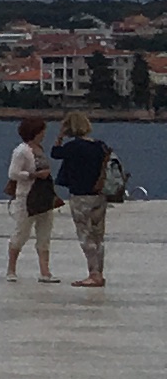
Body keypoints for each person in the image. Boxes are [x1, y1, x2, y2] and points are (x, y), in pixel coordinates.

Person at [51, 111, 117, 288]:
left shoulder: (73, 147)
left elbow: (55, 153)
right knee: (98, 236)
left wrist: (59, 136)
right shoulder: (99, 145)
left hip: (81, 195)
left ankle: (93, 274)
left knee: (85, 236)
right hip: (99, 195)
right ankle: (99, 273)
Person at [7, 115, 63, 280]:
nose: (44, 134)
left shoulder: (39, 149)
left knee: (44, 233)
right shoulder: (21, 151)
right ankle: (11, 269)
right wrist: (34, 175)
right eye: (42, 131)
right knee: (21, 233)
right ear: (35, 132)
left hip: (44, 196)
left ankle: (45, 271)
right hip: (27, 197)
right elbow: (13, 173)